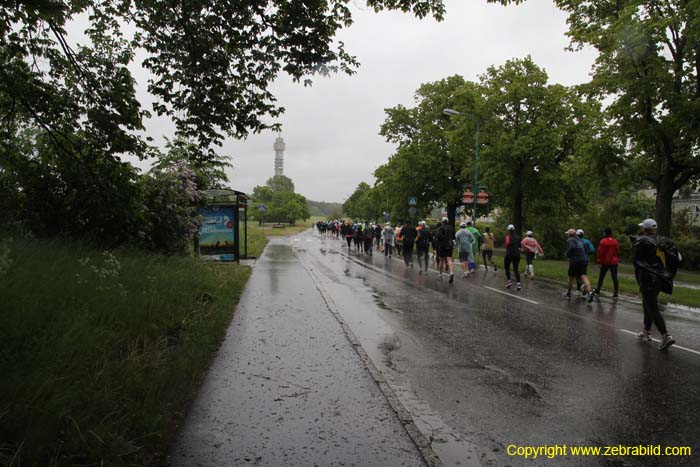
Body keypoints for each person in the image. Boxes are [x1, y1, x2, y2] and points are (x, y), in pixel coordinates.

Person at [633, 219, 675, 350]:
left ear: (644, 229)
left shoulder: (641, 241)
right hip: (660, 278)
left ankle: (666, 335)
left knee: (652, 307)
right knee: (647, 304)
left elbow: (636, 261)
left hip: (647, 278)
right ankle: (646, 331)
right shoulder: (662, 241)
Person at [564, 228, 594, 302]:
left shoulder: (570, 240)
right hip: (584, 260)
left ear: (570, 235)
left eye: (568, 234)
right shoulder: (580, 240)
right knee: (583, 275)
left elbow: (572, 247)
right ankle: (590, 291)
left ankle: (568, 293)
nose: (567, 235)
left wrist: (568, 254)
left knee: (571, 276)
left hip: (575, 260)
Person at [595, 227, 619, 298]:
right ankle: (616, 293)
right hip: (614, 262)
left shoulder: (603, 241)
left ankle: (598, 290)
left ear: (605, 233)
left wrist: (599, 261)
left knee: (601, 276)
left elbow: (600, 252)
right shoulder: (615, 241)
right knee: (614, 277)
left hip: (606, 262)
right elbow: (617, 251)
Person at [435, 217, 455, 283]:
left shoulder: (440, 228)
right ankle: (451, 273)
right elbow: (453, 237)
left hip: (442, 246)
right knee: (449, 259)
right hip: (450, 245)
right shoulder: (451, 228)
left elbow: (438, 237)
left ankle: (440, 274)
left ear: (442, 222)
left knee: (442, 260)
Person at [504, 224, 522, 290]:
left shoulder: (508, 237)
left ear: (508, 230)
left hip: (509, 254)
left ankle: (509, 282)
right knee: (516, 269)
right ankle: (518, 284)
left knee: (507, 268)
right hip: (517, 255)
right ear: (514, 229)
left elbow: (506, 245)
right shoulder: (518, 237)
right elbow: (520, 247)